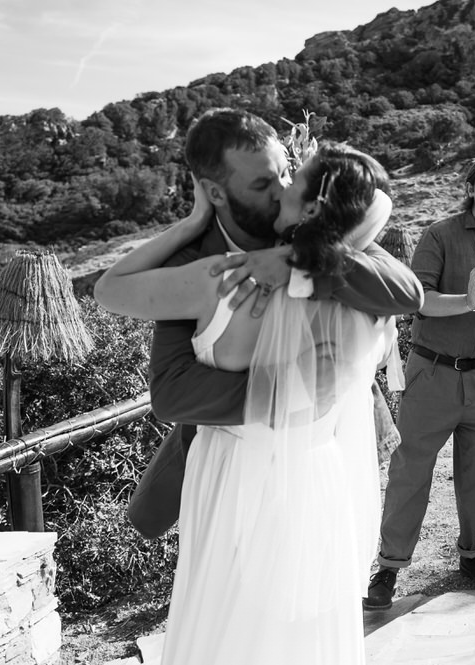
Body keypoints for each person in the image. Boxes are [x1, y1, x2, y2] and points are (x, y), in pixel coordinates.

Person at [96, 140, 405, 663]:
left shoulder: (227, 276)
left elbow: (110, 290)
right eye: (272, 178)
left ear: (311, 208)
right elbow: (402, 282)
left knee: (227, 625)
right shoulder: (362, 297)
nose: (282, 187)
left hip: (233, 468)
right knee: (297, 631)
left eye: (291, 176)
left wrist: (194, 223)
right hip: (315, 472)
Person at [117, 108, 422, 540]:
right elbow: (171, 392)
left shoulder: (320, 239)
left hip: (320, 462)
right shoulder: (193, 263)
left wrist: (300, 259)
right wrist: (290, 389)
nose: (281, 191)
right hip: (232, 474)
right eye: (263, 184)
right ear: (215, 193)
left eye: (286, 175)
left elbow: (407, 289)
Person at [364, 153, 475, 610]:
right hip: (432, 372)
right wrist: (469, 300)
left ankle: (472, 555)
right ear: (471, 189)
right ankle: (388, 567)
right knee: (410, 472)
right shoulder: (439, 235)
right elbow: (418, 302)